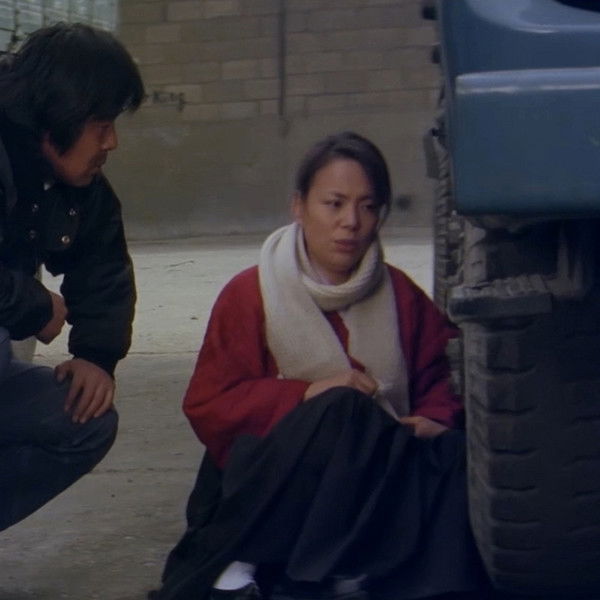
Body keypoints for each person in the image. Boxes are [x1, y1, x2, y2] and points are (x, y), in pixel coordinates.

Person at [154, 132, 485, 600]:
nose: (351, 222)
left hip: (373, 482)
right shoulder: (251, 294)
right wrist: (307, 395)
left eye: (368, 207)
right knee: (343, 410)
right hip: (277, 487)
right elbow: (209, 404)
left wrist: (434, 418)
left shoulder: (399, 295)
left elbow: (440, 374)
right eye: (334, 204)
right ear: (299, 206)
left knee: (452, 451)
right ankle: (276, 565)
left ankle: (388, 577)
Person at [0, 22, 144, 530]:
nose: (112, 142)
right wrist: (34, 306)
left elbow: (103, 263)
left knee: (85, 418)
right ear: (54, 119)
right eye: (100, 125)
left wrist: (96, 357)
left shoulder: (79, 185)